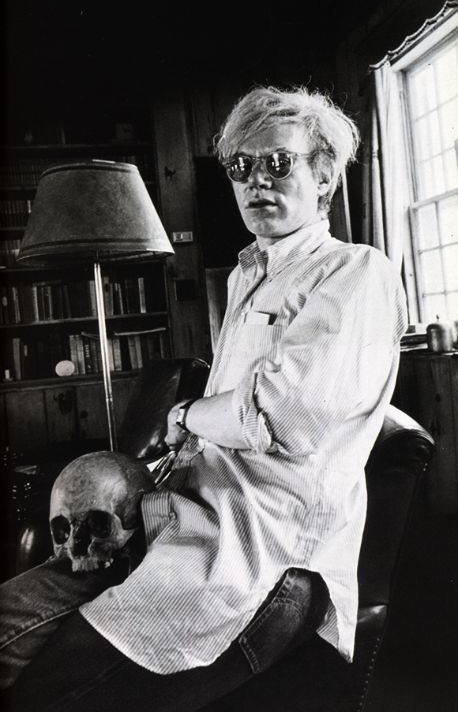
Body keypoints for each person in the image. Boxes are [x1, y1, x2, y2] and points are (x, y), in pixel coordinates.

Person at [0, 85, 407, 711]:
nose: (256, 180)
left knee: (45, 692)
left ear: (324, 176)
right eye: (241, 166)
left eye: (279, 162)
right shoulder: (248, 274)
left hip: (256, 559)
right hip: (179, 521)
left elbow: (278, 415)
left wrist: (187, 413)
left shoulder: (356, 271)